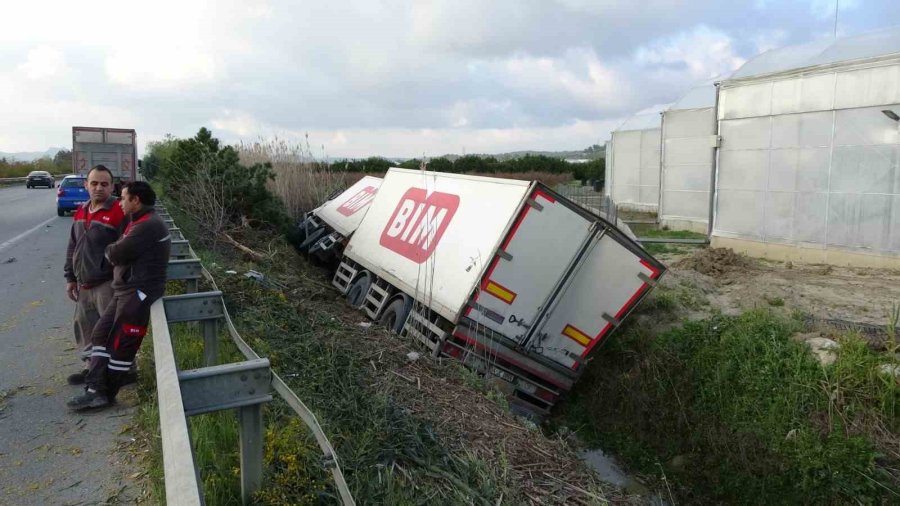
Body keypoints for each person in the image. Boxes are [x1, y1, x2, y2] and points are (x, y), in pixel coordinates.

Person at [67, 181, 171, 411]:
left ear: (136, 201)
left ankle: (105, 394)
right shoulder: (139, 221)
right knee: (101, 335)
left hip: (138, 291)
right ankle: (94, 387)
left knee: (121, 345)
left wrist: (110, 249)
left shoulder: (147, 226)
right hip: (125, 289)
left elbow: (116, 252)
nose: (120, 202)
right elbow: (120, 249)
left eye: (124, 198)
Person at [64, 165, 126, 385]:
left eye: (104, 184)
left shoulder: (119, 212)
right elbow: (73, 246)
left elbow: (127, 249)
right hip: (83, 284)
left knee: (110, 330)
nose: (98, 188)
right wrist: (70, 277)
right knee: (86, 328)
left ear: (111, 186)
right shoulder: (82, 211)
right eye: (94, 183)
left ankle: (117, 372)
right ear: (86, 185)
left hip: (107, 284)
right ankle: (91, 368)